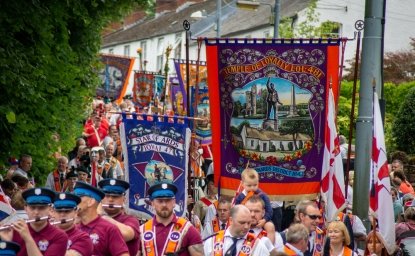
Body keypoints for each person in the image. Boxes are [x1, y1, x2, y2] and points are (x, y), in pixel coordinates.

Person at [139, 182, 203, 256]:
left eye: (168, 200)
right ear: (152, 204)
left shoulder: (187, 229)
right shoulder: (142, 230)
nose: (164, 205)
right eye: (160, 201)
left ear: (174, 202)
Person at [0, 187, 68, 256]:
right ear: (26, 208)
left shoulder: (59, 236)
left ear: (50, 209)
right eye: (32, 207)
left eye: (41, 208)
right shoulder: (15, 232)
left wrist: (27, 238)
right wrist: (7, 243)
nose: (36, 212)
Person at [73, 181, 129, 256]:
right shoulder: (74, 228)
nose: (73, 201)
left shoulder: (109, 229)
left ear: (91, 202)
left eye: (78, 197)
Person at [203, 204, 270, 255]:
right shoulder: (212, 242)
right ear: (231, 220)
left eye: (249, 223)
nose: (246, 227)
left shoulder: (257, 245)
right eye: (242, 222)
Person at [98, 178, 140, 256]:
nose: (110, 199)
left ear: (124, 199)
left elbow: (126, 234)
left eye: (115, 196)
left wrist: (102, 216)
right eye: (106, 196)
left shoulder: (131, 220)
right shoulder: (94, 220)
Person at [234, 168, 276, 243]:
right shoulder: (240, 197)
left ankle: (269, 249)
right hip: (245, 220)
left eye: (255, 185)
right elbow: (235, 211)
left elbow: (270, 211)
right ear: (243, 184)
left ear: (258, 182)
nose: (252, 188)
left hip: (261, 220)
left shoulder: (262, 195)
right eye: (249, 185)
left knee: (270, 226)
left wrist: (264, 220)